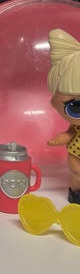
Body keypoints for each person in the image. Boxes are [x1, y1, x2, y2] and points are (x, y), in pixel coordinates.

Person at [47, 28, 80, 204]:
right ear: (54, 103)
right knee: (76, 173)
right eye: (76, 107)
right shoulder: (75, 127)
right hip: (76, 155)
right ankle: (75, 193)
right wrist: (58, 139)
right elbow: (69, 134)